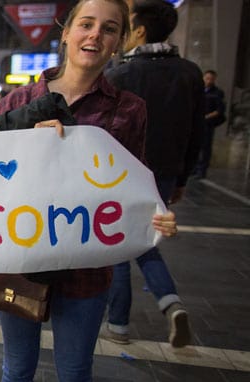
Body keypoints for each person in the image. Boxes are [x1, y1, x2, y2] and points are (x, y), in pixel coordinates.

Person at [0, 1, 178, 382]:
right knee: (17, 367)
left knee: (74, 373)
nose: (95, 36)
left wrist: (155, 216)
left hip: (88, 267)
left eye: (109, 29)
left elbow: (135, 183)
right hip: (20, 259)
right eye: (86, 24)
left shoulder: (128, 109)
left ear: (120, 41)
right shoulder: (19, 99)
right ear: (65, 31)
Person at [103, 0, 202, 348]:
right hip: (165, 172)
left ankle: (117, 324)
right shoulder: (190, 73)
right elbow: (196, 133)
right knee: (146, 239)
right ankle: (170, 302)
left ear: (140, 31)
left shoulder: (122, 74)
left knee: (117, 242)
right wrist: (182, 179)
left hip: (123, 172)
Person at [194, 69, 226, 177]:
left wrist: (206, 117)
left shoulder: (217, 93)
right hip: (197, 123)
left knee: (205, 147)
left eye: (211, 79)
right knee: (195, 146)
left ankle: (201, 170)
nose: (208, 81)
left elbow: (219, 110)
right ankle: (193, 169)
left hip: (208, 124)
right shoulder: (198, 90)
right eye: (207, 78)